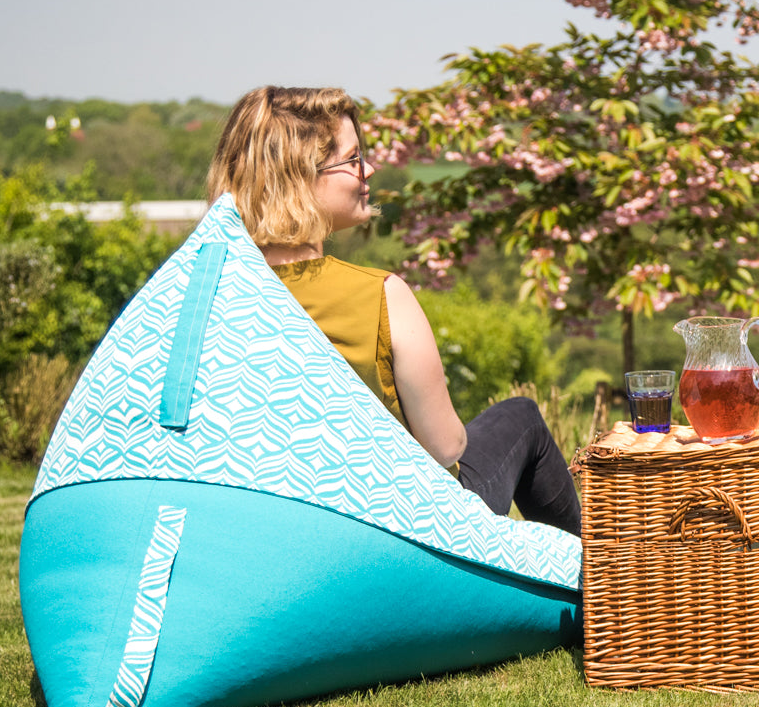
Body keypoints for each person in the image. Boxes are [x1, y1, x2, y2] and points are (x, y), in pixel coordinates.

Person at [207, 85, 582, 536]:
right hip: (402, 531)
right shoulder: (380, 295)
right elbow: (445, 448)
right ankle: (604, 592)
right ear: (299, 178)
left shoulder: (214, 291)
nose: (369, 169)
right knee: (520, 418)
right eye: (352, 159)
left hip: (279, 523)